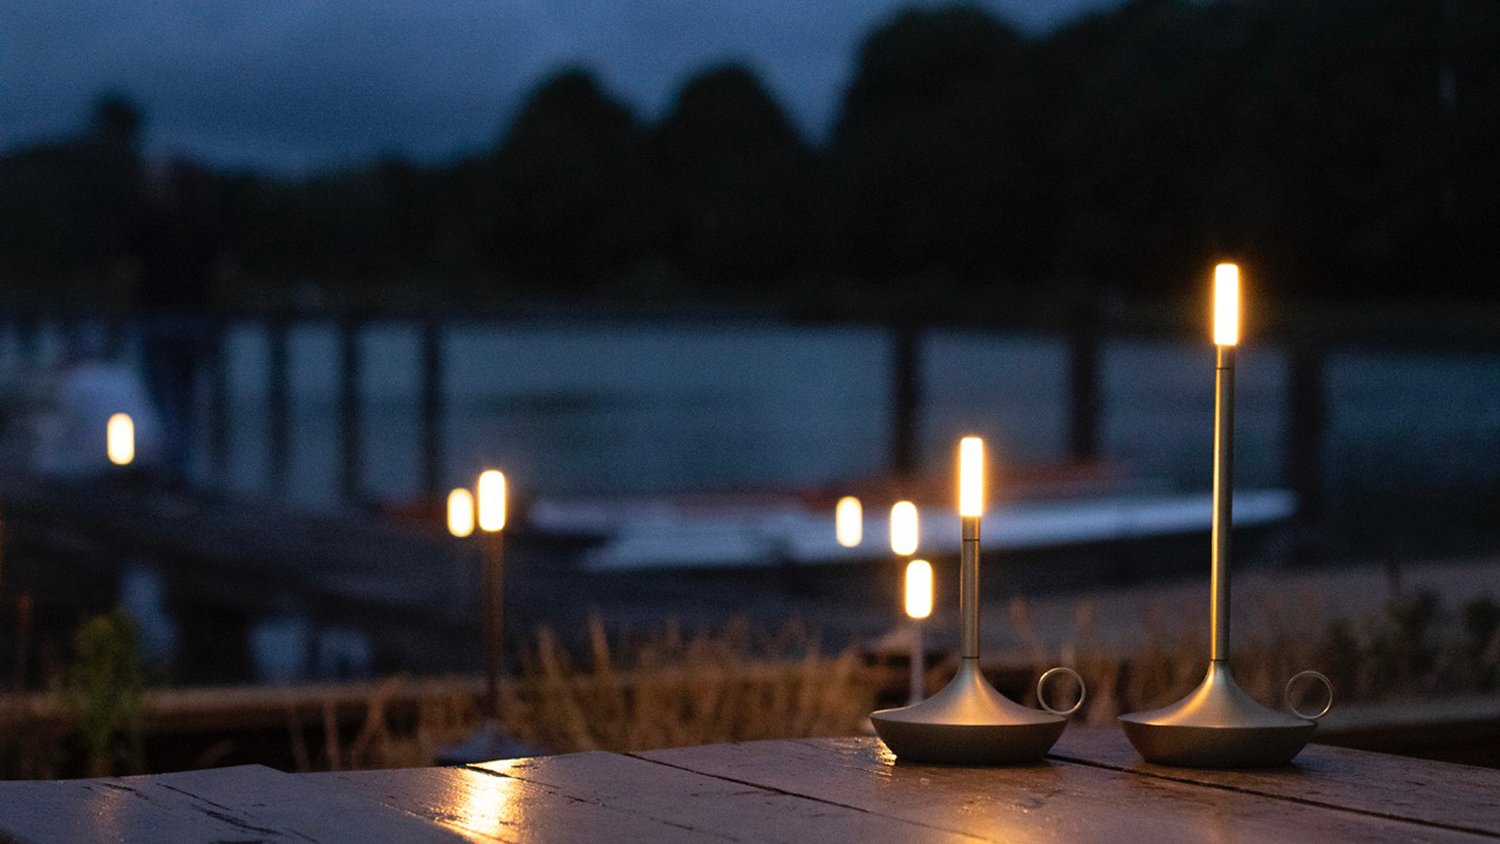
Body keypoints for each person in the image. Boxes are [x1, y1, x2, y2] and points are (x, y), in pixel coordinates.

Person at [131, 158, 222, 488]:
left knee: (164, 397)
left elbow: (125, 263)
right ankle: (182, 467)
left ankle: (174, 470)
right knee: (183, 397)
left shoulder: (148, 221)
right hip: (194, 319)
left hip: (159, 318)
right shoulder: (202, 220)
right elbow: (222, 266)